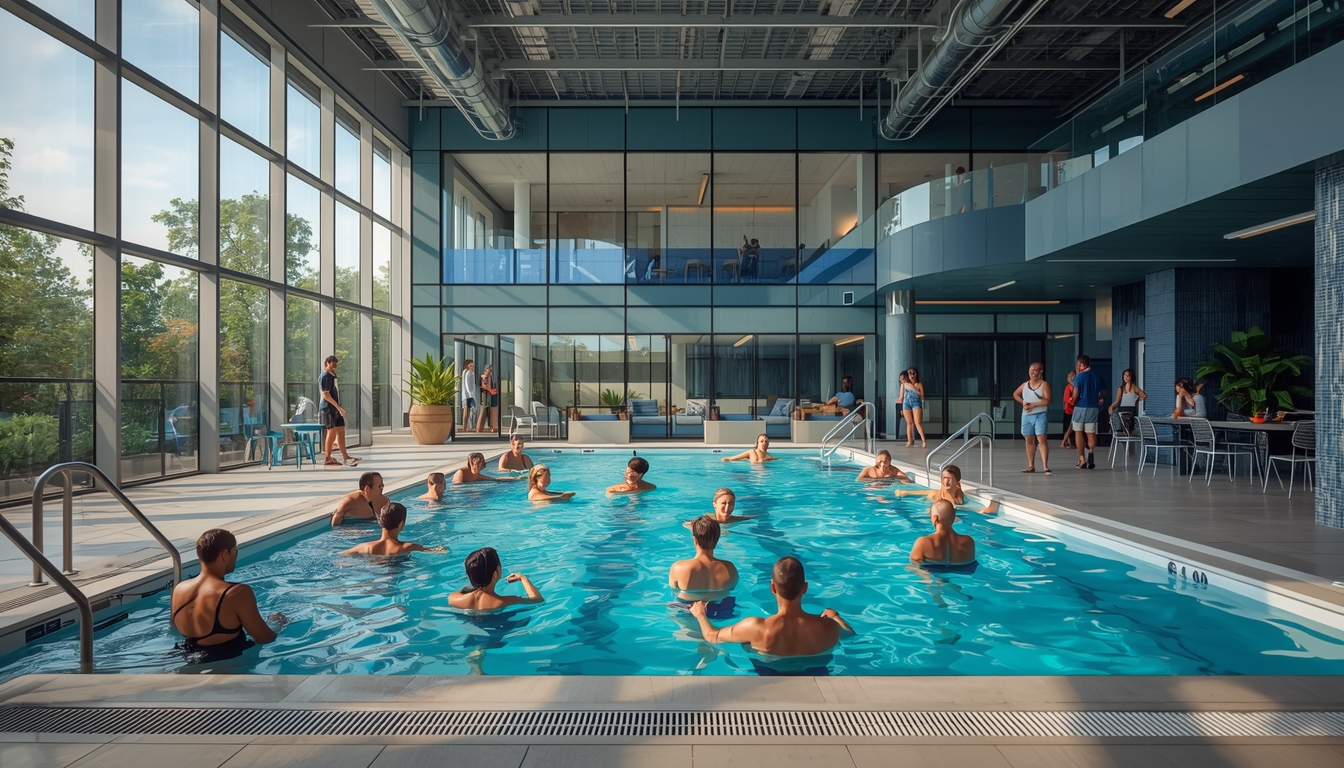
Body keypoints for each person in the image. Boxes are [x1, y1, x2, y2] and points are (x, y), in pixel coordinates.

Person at [689, 556, 854, 657]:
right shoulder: (830, 627)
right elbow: (851, 637)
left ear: (773, 588)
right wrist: (835, 616)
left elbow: (712, 636)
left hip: (767, 684)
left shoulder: (754, 627)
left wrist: (700, 615)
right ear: (805, 588)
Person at [171, 529, 287, 664]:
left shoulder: (179, 589)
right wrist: (276, 624)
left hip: (187, 658)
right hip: (229, 666)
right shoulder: (236, 593)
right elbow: (264, 638)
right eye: (235, 552)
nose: (236, 557)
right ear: (225, 554)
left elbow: (175, 628)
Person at [668, 517, 739, 606]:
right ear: (717, 539)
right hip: (722, 609)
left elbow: (674, 590)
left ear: (695, 540)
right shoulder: (730, 568)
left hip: (687, 609)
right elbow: (732, 588)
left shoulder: (679, 567)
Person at [448, 547, 544, 611]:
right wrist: (522, 578)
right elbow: (538, 600)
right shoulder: (505, 601)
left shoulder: (453, 598)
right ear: (495, 573)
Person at [342, 502, 444, 556]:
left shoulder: (365, 547)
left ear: (380, 522)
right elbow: (439, 553)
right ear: (402, 524)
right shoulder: (408, 547)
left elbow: (342, 555)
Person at [318, 355, 359, 467]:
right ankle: (328, 457)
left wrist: (338, 407)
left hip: (334, 407)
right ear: (327, 363)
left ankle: (345, 456)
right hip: (328, 407)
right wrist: (338, 407)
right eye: (333, 364)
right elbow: (326, 394)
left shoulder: (332, 376)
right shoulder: (326, 376)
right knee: (331, 431)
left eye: (336, 364)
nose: (335, 366)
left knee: (341, 429)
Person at [1012, 362, 1052, 474]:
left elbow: (1047, 400)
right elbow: (1015, 394)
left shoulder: (1044, 385)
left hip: (1040, 414)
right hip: (1027, 415)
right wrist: (1023, 403)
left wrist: (1033, 404)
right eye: (1031, 371)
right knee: (1029, 439)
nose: (1033, 373)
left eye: (1035, 370)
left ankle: (1045, 465)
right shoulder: (1025, 385)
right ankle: (1031, 464)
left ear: (1041, 371)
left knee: (1041, 438)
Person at [909, 500, 977, 567]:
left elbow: (913, 566)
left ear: (935, 518)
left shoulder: (923, 542)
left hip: (933, 575)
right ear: (954, 518)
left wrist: (926, 577)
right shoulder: (969, 542)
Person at [1068, 355, 1105, 469]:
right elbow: (1103, 391)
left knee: (1078, 431)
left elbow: (1076, 393)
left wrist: (1072, 401)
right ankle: (1091, 453)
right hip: (1093, 407)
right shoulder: (1096, 376)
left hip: (1080, 406)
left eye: (1077, 364)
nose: (1076, 367)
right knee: (1090, 432)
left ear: (1081, 364)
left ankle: (1081, 458)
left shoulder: (1080, 377)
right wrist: (1100, 399)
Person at [894, 465, 966, 506]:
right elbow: (926, 492)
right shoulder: (936, 495)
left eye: (949, 479)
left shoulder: (960, 497)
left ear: (957, 483)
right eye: (944, 478)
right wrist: (906, 493)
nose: (946, 482)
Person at [686, 487, 755, 527]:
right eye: (724, 503)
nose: (727, 507)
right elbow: (686, 524)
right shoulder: (705, 523)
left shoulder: (736, 520)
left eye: (731, 503)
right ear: (714, 504)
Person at [1109, 369, 1148, 433]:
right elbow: (1117, 401)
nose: (1125, 377)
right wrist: (1112, 406)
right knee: (1115, 412)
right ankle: (1119, 429)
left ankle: (1119, 429)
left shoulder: (1135, 388)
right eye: (1124, 375)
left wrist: (1136, 400)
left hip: (1128, 409)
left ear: (1131, 377)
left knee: (1116, 413)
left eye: (1128, 375)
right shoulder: (1121, 389)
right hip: (1124, 408)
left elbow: (1144, 396)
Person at [453, 452, 518, 483]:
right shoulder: (461, 472)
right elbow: (457, 485)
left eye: (479, 463)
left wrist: (515, 479)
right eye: (475, 463)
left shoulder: (477, 476)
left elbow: (495, 479)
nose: (477, 465)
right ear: (471, 464)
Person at [903, 367, 928, 448]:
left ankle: (923, 441)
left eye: (914, 373)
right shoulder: (904, 384)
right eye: (910, 373)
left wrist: (915, 391)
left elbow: (922, 395)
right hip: (906, 403)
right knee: (909, 423)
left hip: (916, 403)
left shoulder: (919, 384)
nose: (912, 375)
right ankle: (910, 441)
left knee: (918, 423)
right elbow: (901, 396)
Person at [475, 364, 497, 433]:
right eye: (488, 371)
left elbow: (493, 386)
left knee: (492, 410)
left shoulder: (491, 378)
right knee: (483, 410)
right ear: (485, 371)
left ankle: (492, 426)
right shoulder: (481, 377)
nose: (489, 373)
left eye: (490, 372)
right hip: (483, 395)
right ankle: (479, 427)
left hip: (490, 395)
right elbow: (480, 386)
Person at [1059, 370, 1077, 449]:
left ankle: (1068, 441)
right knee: (1069, 427)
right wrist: (1073, 402)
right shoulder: (1069, 387)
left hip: (1072, 409)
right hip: (1069, 410)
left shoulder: (1073, 387)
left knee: (1070, 427)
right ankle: (1064, 441)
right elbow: (1066, 399)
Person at [460, 359, 478, 433]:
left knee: (466, 409)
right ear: (467, 365)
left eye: (472, 364)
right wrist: (471, 393)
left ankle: (465, 426)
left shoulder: (465, 372)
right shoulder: (469, 373)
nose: (472, 366)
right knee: (467, 410)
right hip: (469, 394)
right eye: (470, 365)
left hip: (466, 394)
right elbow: (468, 384)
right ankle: (466, 427)